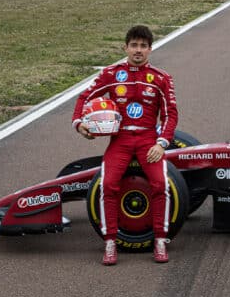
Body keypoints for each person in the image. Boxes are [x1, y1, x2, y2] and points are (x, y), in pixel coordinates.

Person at [72, 26, 178, 265]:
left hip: (148, 140)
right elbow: (83, 98)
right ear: (126, 47)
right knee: (108, 185)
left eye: (143, 46)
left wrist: (162, 143)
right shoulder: (111, 74)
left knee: (160, 184)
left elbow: (171, 115)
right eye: (134, 45)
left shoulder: (161, 78)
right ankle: (110, 243)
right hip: (119, 140)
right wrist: (79, 124)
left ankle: (160, 240)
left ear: (150, 49)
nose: (138, 50)